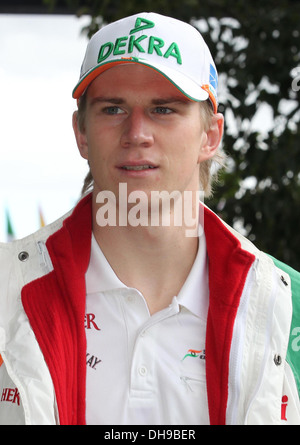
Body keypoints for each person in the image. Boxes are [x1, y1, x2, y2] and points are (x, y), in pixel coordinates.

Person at [0, 12, 299, 426]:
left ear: (210, 135)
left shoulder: (290, 308)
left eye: (163, 108)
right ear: (81, 133)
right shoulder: (5, 290)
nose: (136, 132)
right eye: (113, 109)